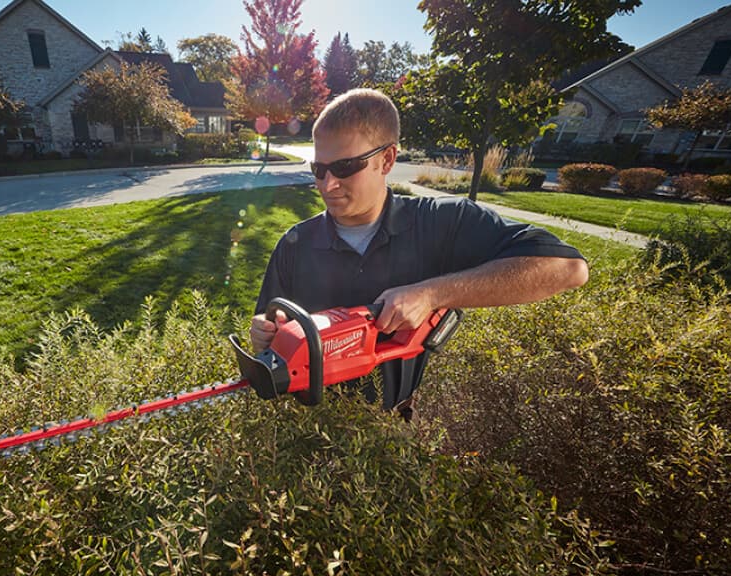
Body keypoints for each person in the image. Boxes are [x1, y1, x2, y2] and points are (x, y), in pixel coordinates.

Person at [250, 88, 589, 418]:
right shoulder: (295, 243)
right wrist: (265, 335)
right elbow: (269, 331)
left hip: (396, 429)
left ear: (387, 159)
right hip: (308, 430)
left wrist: (431, 294)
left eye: (344, 168)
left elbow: (568, 268)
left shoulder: (442, 222)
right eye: (319, 170)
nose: (328, 185)